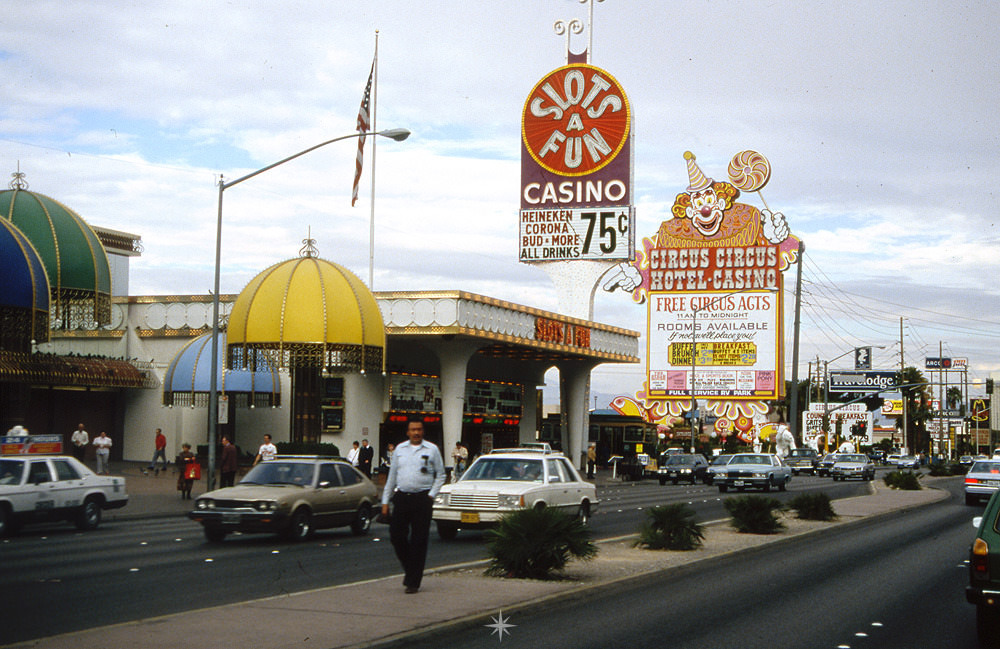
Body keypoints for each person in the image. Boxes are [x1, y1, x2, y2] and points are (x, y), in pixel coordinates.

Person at [381, 419, 445, 594]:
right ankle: (411, 568)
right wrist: (385, 501)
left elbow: (441, 475)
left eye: (419, 429)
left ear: (423, 431)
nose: (416, 432)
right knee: (396, 536)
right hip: (402, 497)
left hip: (422, 498)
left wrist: (431, 495)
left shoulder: (432, 449)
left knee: (419, 540)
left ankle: (413, 582)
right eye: (412, 430)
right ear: (407, 432)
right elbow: (392, 477)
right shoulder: (400, 450)